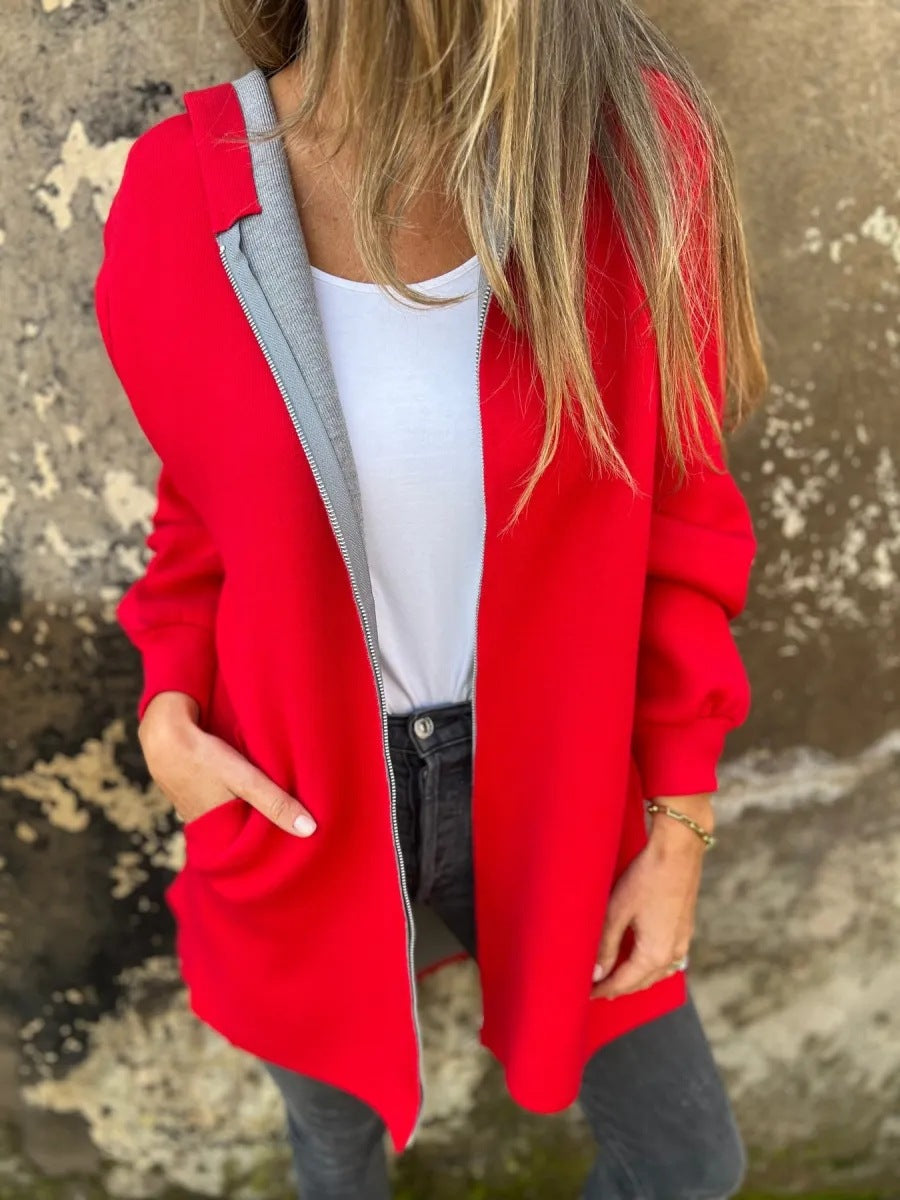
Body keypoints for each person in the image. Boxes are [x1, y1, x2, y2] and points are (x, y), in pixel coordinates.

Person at [94, 1, 767, 1196]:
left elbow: (679, 511)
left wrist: (680, 825)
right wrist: (169, 711)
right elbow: (201, 505)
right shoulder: (183, 185)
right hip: (295, 796)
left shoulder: (628, 153)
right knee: (335, 1149)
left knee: (686, 1163)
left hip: (561, 793)